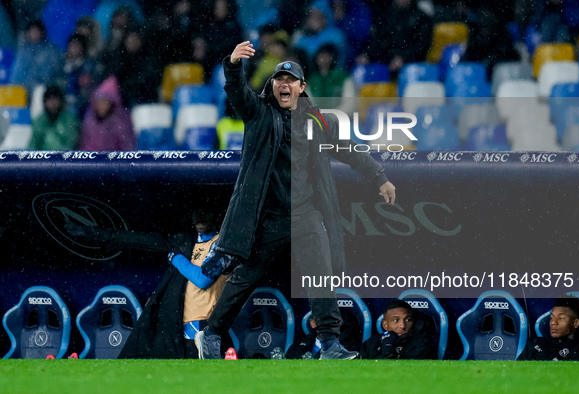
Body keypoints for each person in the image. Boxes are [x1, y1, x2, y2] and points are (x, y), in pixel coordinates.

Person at [192, 41, 397, 360]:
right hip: (266, 217)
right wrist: (232, 65)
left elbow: (348, 149)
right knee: (245, 279)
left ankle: (330, 344)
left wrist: (378, 176)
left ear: (302, 87)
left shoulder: (317, 122)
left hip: (305, 215)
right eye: (278, 79)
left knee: (320, 275)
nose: (283, 84)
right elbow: (237, 92)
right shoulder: (258, 113)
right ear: (272, 85)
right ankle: (212, 333)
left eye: (290, 80)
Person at [70, 209, 233, 359]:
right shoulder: (184, 241)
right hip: (175, 330)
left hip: (206, 329)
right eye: (197, 213)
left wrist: (176, 258)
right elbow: (139, 240)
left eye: (206, 213)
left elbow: (202, 279)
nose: (201, 218)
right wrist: (93, 233)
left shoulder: (224, 244)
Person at [518, 296, 579, 361]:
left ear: (576, 323)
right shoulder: (534, 344)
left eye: (561, 318)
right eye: (552, 317)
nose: (553, 322)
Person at [360, 299, 438, 360]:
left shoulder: (420, 346)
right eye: (396, 320)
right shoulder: (371, 344)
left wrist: (388, 348)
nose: (403, 326)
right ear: (385, 325)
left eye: (408, 320)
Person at [78, 75, 137, 150]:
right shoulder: (89, 119)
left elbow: (128, 146)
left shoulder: (121, 122)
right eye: (99, 102)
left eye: (105, 102)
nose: (101, 105)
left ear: (112, 104)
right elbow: (84, 143)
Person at [28, 85, 79, 150]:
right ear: (44, 102)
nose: (53, 103)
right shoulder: (39, 120)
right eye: (50, 100)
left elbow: (71, 143)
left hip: (64, 158)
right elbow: (33, 144)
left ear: (61, 101)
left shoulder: (69, 120)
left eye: (55, 100)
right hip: (43, 158)